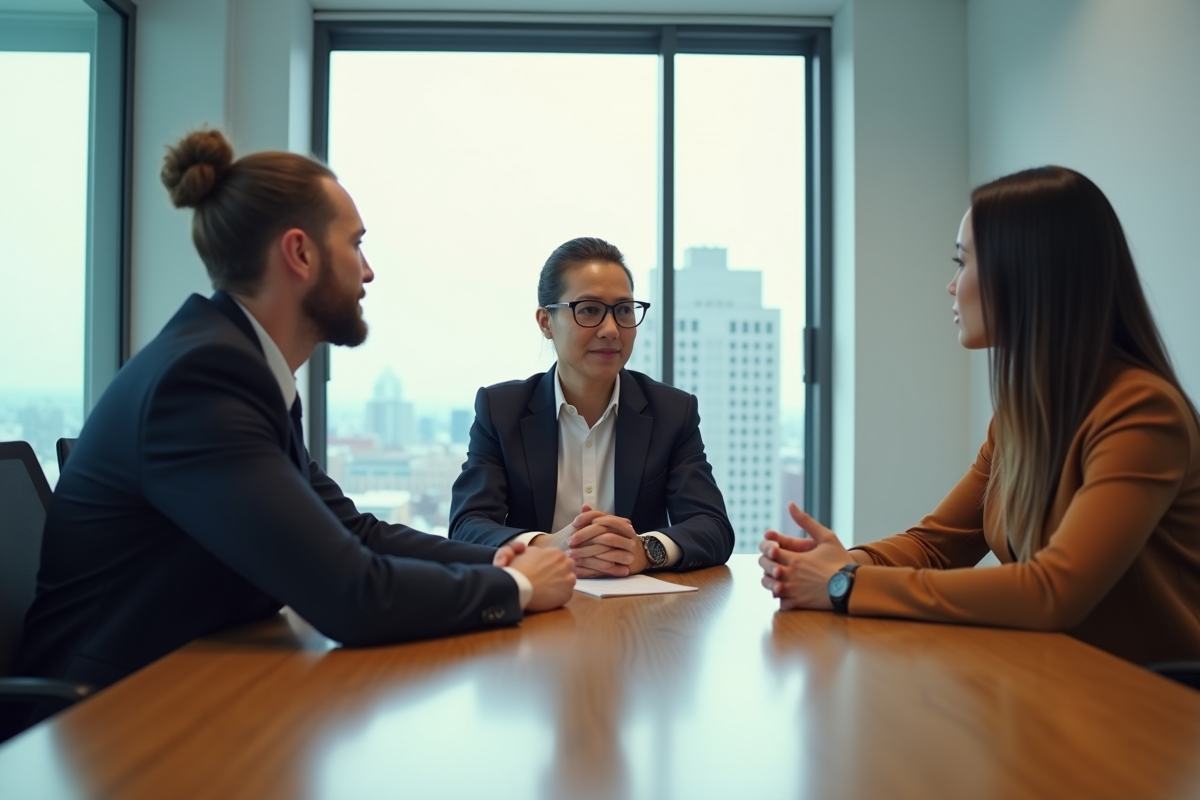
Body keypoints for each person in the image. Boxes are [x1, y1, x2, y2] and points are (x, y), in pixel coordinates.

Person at [13, 130, 576, 705]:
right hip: (101, 721)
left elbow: (355, 534)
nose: (369, 271)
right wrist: (517, 584)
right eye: (355, 245)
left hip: (192, 689)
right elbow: (348, 595)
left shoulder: (243, 368)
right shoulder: (203, 381)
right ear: (300, 253)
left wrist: (506, 558)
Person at [759, 166, 1200, 665]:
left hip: (1154, 703)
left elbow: (1052, 591)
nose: (951, 286)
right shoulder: (1019, 418)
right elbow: (936, 545)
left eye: (962, 262)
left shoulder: (1142, 412)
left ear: (1027, 275)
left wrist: (845, 585)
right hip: (1060, 681)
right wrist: (841, 564)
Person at [448, 237, 734, 577]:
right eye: (589, 310)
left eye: (624, 310)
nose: (611, 329)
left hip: (640, 616)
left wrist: (643, 551)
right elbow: (467, 525)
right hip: (536, 606)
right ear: (545, 322)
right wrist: (549, 547)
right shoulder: (501, 410)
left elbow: (713, 526)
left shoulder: (672, 412)